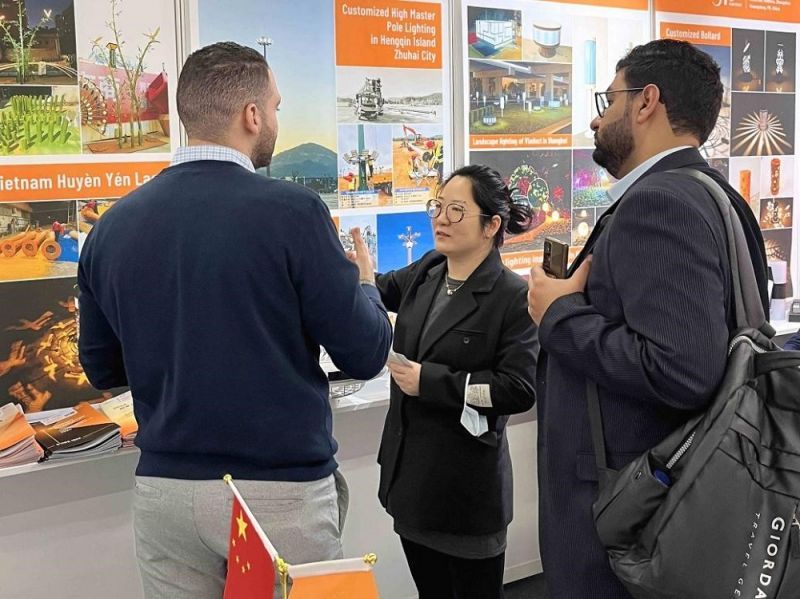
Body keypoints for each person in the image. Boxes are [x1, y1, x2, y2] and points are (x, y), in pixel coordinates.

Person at [77, 42, 392, 599]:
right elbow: (365, 353)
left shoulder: (111, 227)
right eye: (275, 106)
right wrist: (365, 283)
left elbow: (103, 369)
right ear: (251, 115)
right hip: (279, 490)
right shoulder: (294, 212)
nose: (276, 119)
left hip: (166, 492)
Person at [526, 39, 769, 599]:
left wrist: (558, 314)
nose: (596, 118)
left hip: (631, 510)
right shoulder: (717, 196)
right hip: (677, 499)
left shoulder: (660, 203)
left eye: (608, 99)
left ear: (646, 102)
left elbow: (681, 369)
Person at [355, 164, 538, 599]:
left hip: (465, 495)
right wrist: (358, 273)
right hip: (410, 483)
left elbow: (517, 389)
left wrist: (431, 382)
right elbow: (379, 288)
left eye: (456, 210)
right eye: (437, 206)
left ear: (492, 225)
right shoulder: (431, 268)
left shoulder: (512, 296)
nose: (440, 219)